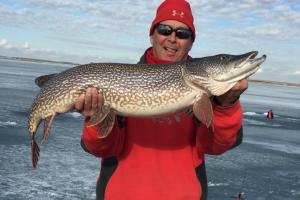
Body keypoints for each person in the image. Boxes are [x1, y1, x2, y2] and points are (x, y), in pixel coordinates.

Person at [75, 0, 247, 199]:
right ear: (152, 35)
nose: (172, 38)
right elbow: (101, 148)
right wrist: (96, 116)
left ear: (191, 42)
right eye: (165, 30)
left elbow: (215, 146)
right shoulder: (119, 82)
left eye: (183, 33)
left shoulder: (211, 93)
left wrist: (226, 105)